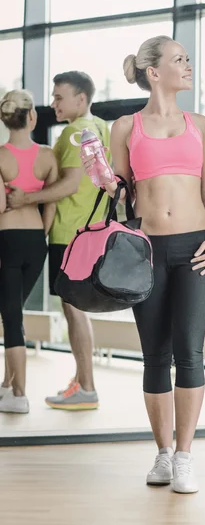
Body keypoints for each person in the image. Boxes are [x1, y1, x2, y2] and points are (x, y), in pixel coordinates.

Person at [81, 35, 205, 494]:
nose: (188, 64)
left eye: (188, 57)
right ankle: (162, 454)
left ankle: (185, 456)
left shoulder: (198, 123)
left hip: (196, 247)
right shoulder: (125, 126)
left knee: (191, 352)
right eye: (179, 59)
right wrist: (101, 175)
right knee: (155, 354)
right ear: (154, 72)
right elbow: (120, 190)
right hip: (147, 249)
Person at [6, 72, 111, 410]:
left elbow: (69, 186)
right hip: (89, 229)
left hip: (72, 232)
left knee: (73, 309)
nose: (54, 104)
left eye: (59, 97)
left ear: (80, 99)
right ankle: (83, 381)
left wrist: (24, 201)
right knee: (75, 309)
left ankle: (87, 386)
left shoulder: (74, 132)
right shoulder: (99, 127)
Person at [0, 90, 58, 413]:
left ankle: (20, 394)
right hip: (37, 242)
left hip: (7, 239)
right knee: (13, 311)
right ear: (32, 117)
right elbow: (50, 202)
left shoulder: (0, 156)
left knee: (10, 316)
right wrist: (41, 235)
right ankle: (8, 383)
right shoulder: (48, 157)